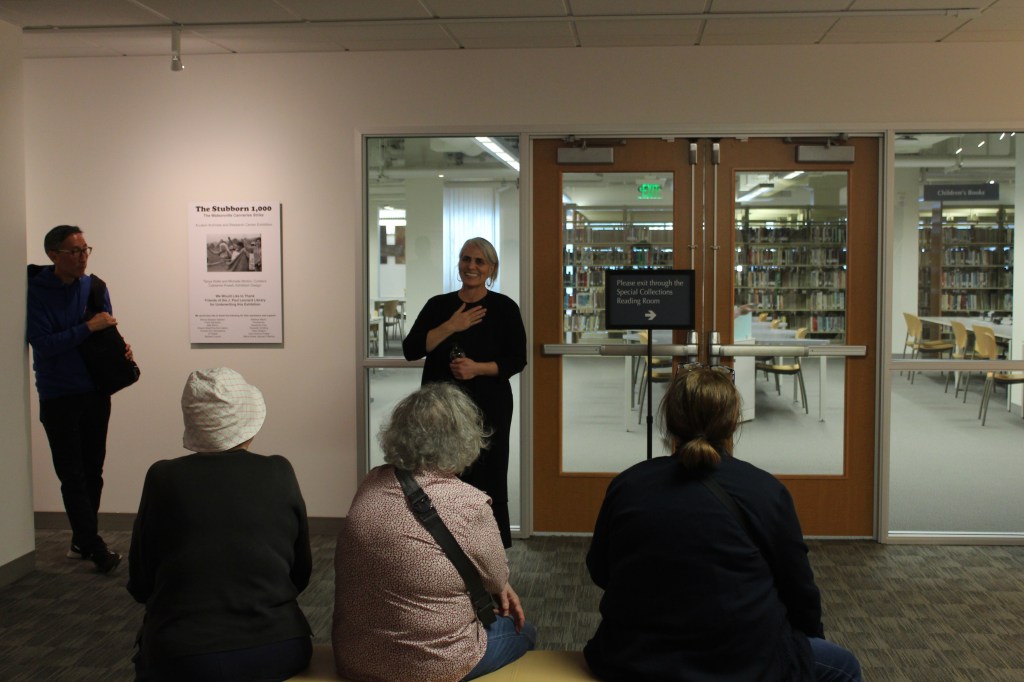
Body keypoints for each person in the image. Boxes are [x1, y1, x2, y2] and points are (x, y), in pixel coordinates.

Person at [584, 365, 862, 682]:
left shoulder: (627, 485)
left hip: (631, 659)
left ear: (670, 421)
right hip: (743, 661)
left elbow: (601, 570)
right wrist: (808, 640)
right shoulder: (766, 491)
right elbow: (799, 591)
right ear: (732, 423)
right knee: (844, 667)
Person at [332, 382, 536, 682]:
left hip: (355, 658)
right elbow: (497, 581)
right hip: (430, 667)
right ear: (465, 439)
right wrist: (498, 582)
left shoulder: (372, 481)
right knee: (525, 632)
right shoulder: (469, 504)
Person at [127, 367, 313, 681]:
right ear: (249, 423)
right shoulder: (279, 471)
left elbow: (141, 582)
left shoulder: (163, 477)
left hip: (184, 653)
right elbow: (301, 573)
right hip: (280, 645)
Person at [402, 237, 527, 547]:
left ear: (491, 269)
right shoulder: (438, 306)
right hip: (440, 408)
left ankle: (490, 548)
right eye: (466, 259)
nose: (471, 266)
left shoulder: (504, 308)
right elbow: (411, 349)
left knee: (488, 472)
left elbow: (517, 359)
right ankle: (441, 543)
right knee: (439, 471)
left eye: (479, 261)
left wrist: (478, 368)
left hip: (489, 404)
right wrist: (451, 325)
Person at [27, 225, 129, 574]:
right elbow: (43, 345)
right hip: (58, 395)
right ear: (54, 255)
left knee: (92, 471)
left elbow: (106, 331)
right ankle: (96, 547)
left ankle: (82, 539)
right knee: (71, 473)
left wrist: (118, 344)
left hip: (95, 391)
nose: (83, 256)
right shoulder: (35, 292)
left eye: (86, 249)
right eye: (75, 251)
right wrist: (88, 328)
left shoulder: (95, 286)